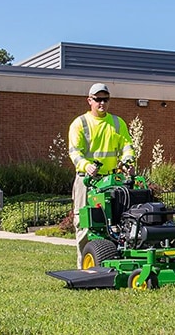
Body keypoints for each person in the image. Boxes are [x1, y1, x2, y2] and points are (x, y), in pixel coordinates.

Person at [68, 83, 136, 269]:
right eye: (98, 99)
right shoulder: (80, 123)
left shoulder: (117, 123)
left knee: (117, 223)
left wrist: (128, 161)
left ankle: (113, 262)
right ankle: (84, 267)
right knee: (85, 224)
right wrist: (86, 165)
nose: (102, 103)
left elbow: (127, 147)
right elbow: (75, 152)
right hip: (87, 180)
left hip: (112, 181)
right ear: (89, 100)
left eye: (105, 99)